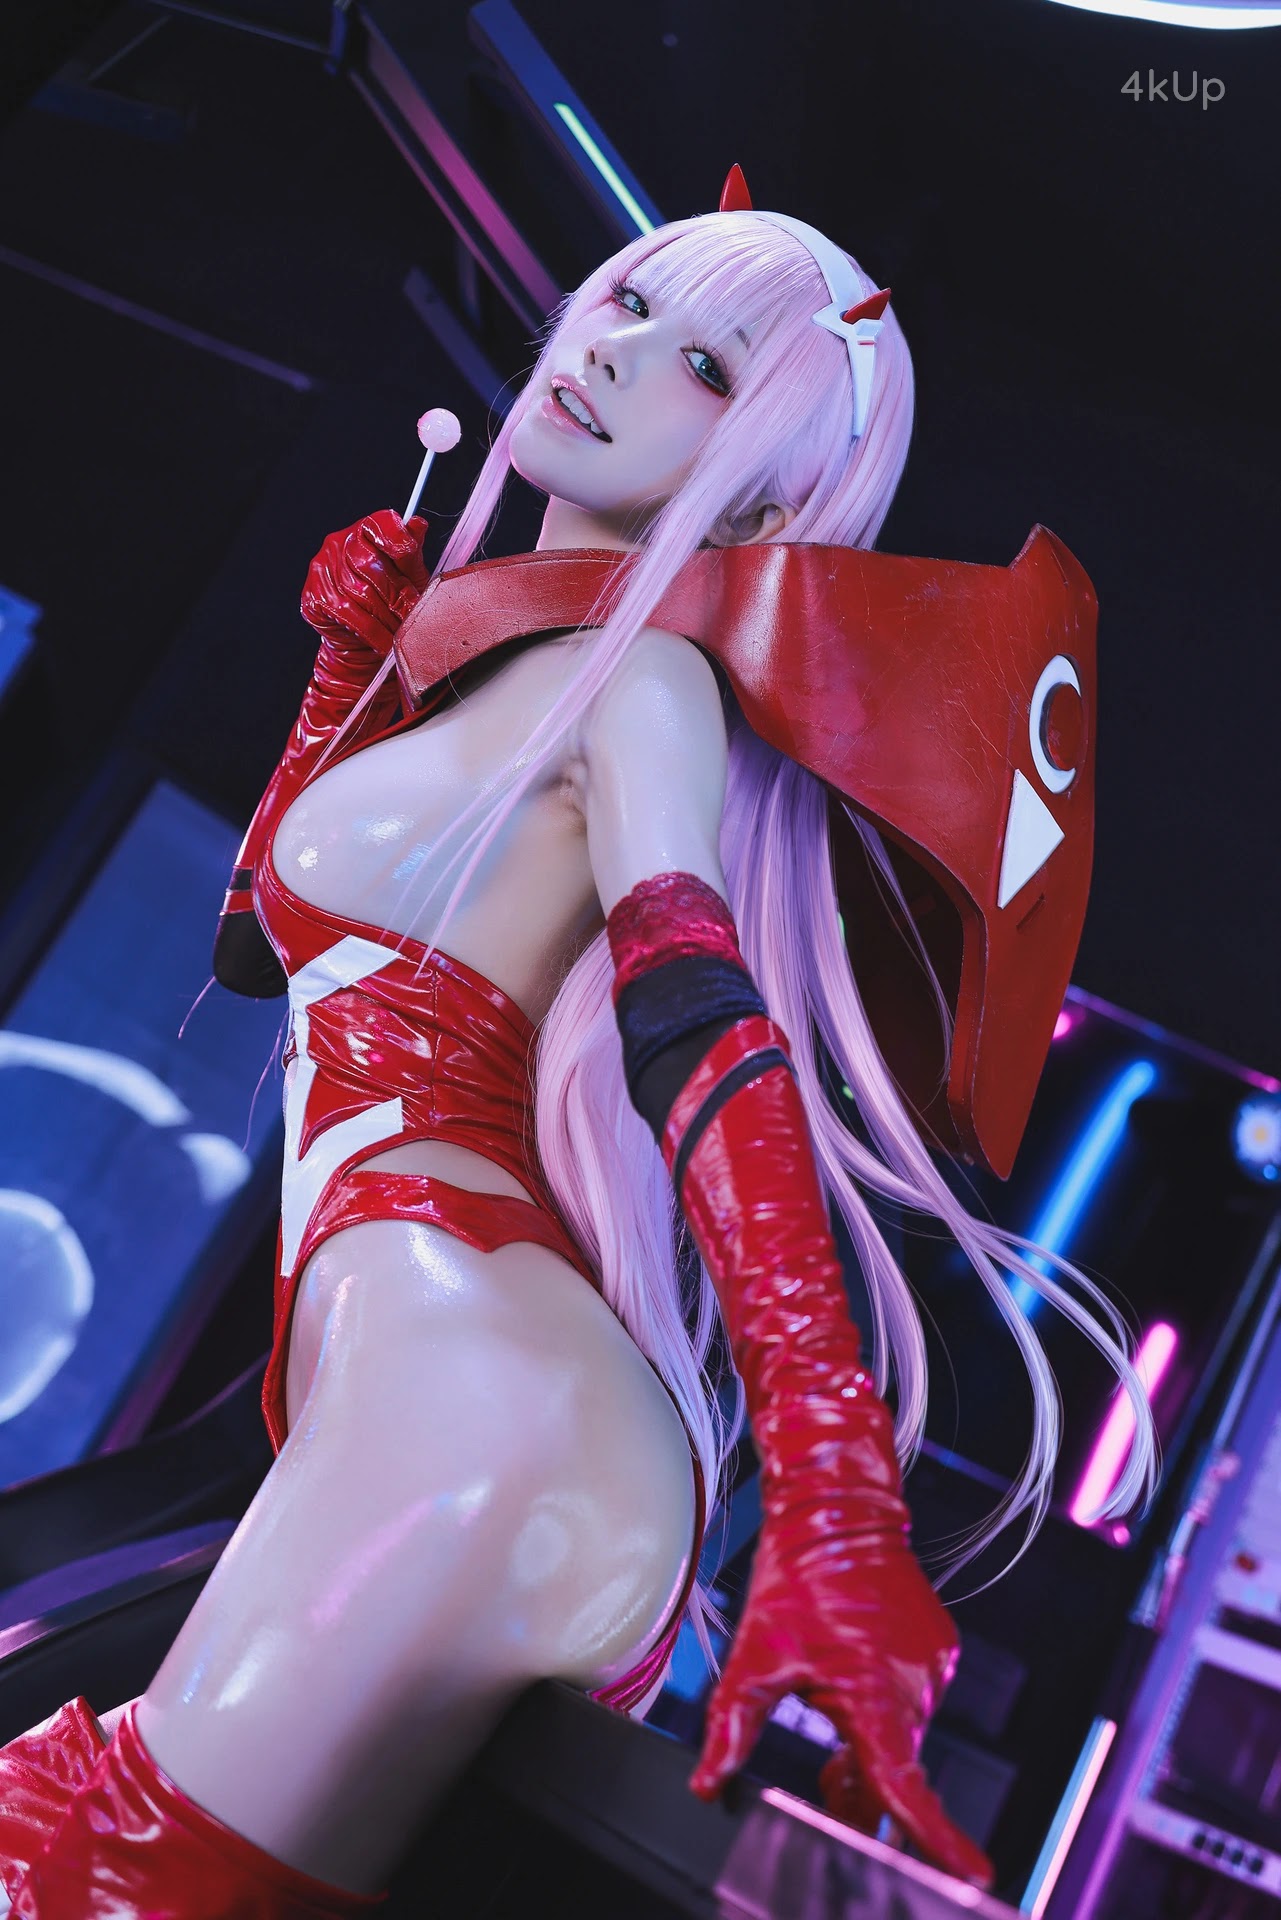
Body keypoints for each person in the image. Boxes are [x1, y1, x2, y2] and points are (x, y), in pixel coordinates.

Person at [0, 171, 1156, 1916]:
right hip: (418, 1358)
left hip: (467, 1380)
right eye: (625, 299)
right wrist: (340, 679)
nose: (613, 349)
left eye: (703, 362)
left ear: (762, 487)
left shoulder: (644, 682)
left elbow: (697, 1014)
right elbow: (259, 952)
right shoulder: (514, 669)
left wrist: (834, 1482)